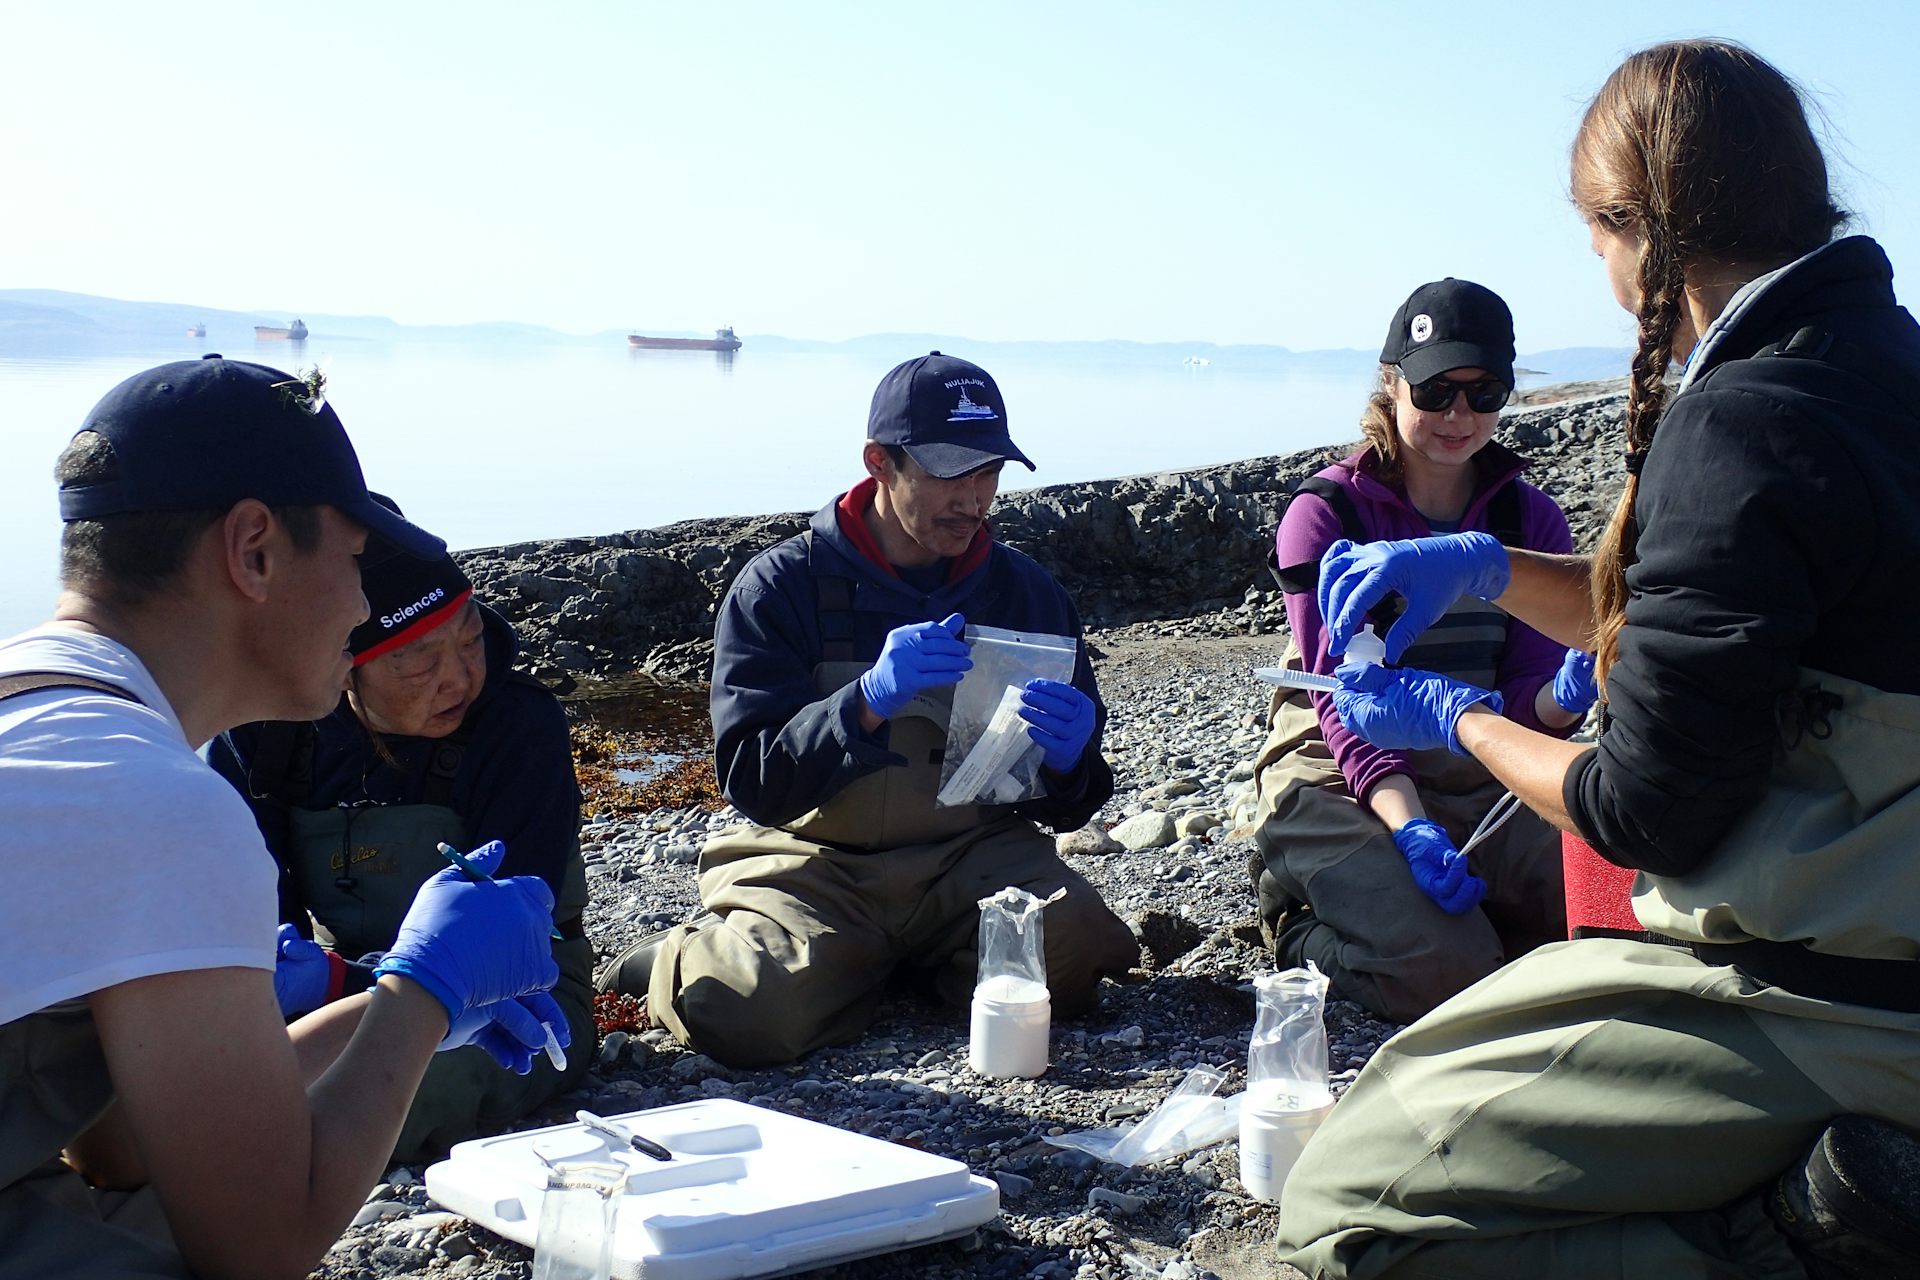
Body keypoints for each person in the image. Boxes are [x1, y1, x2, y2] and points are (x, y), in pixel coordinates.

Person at [1275, 40, 1920, 1279]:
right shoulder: (1877, 363)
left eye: (1600, 241)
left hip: (1822, 981)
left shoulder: (1745, 418)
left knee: (1348, 1206)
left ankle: (1791, 1233)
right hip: (1888, 927)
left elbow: (1642, 807)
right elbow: (1687, 620)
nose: (1611, 279)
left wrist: (1458, 716)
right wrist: (1486, 566)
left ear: (1645, 226)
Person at [0, 356, 567, 1280]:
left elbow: (116, 1151)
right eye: (350, 559)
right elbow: (260, 1249)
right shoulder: (162, 806)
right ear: (254, 549)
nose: (357, 603)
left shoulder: (46, 717)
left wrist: (406, 1006)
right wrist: (423, 992)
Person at [596, 352, 1139, 1068]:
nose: (973, 499)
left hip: (967, 858)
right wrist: (863, 703)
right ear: (880, 462)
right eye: (950, 471)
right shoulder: (779, 588)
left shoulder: (1027, 594)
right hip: (815, 863)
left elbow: (1070, 807)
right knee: (744, 1013)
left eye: (989, 473)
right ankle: (673, 959)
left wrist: (1073, 762)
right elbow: (754, 782)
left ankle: (882, 965)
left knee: (1073, 960)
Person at [1247, 278, 1592, 1023]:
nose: (1458, 415)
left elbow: (1526, 702)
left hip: (1479, 763)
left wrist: (1564, 698)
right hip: (1344, 772)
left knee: (1608, 916)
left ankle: (1453, 918)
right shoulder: (1326, 515)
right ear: (1392, 381)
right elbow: (1345, 709)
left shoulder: (1527, 519)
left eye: (1483, 391)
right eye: (1435, 390)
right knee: (1446, 975)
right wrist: (1411, 828)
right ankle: (1300, 923)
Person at [207, 502, 593, 1162]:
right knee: (201, 1083)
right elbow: (255, 930)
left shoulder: (515, 726)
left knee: (377, 1096)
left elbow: (511, 946)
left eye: (471, 640)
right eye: (418, 662)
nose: (460, 678)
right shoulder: (265, 738)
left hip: (509, 999)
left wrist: (337, 986)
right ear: (342, 667)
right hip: (343, 982)